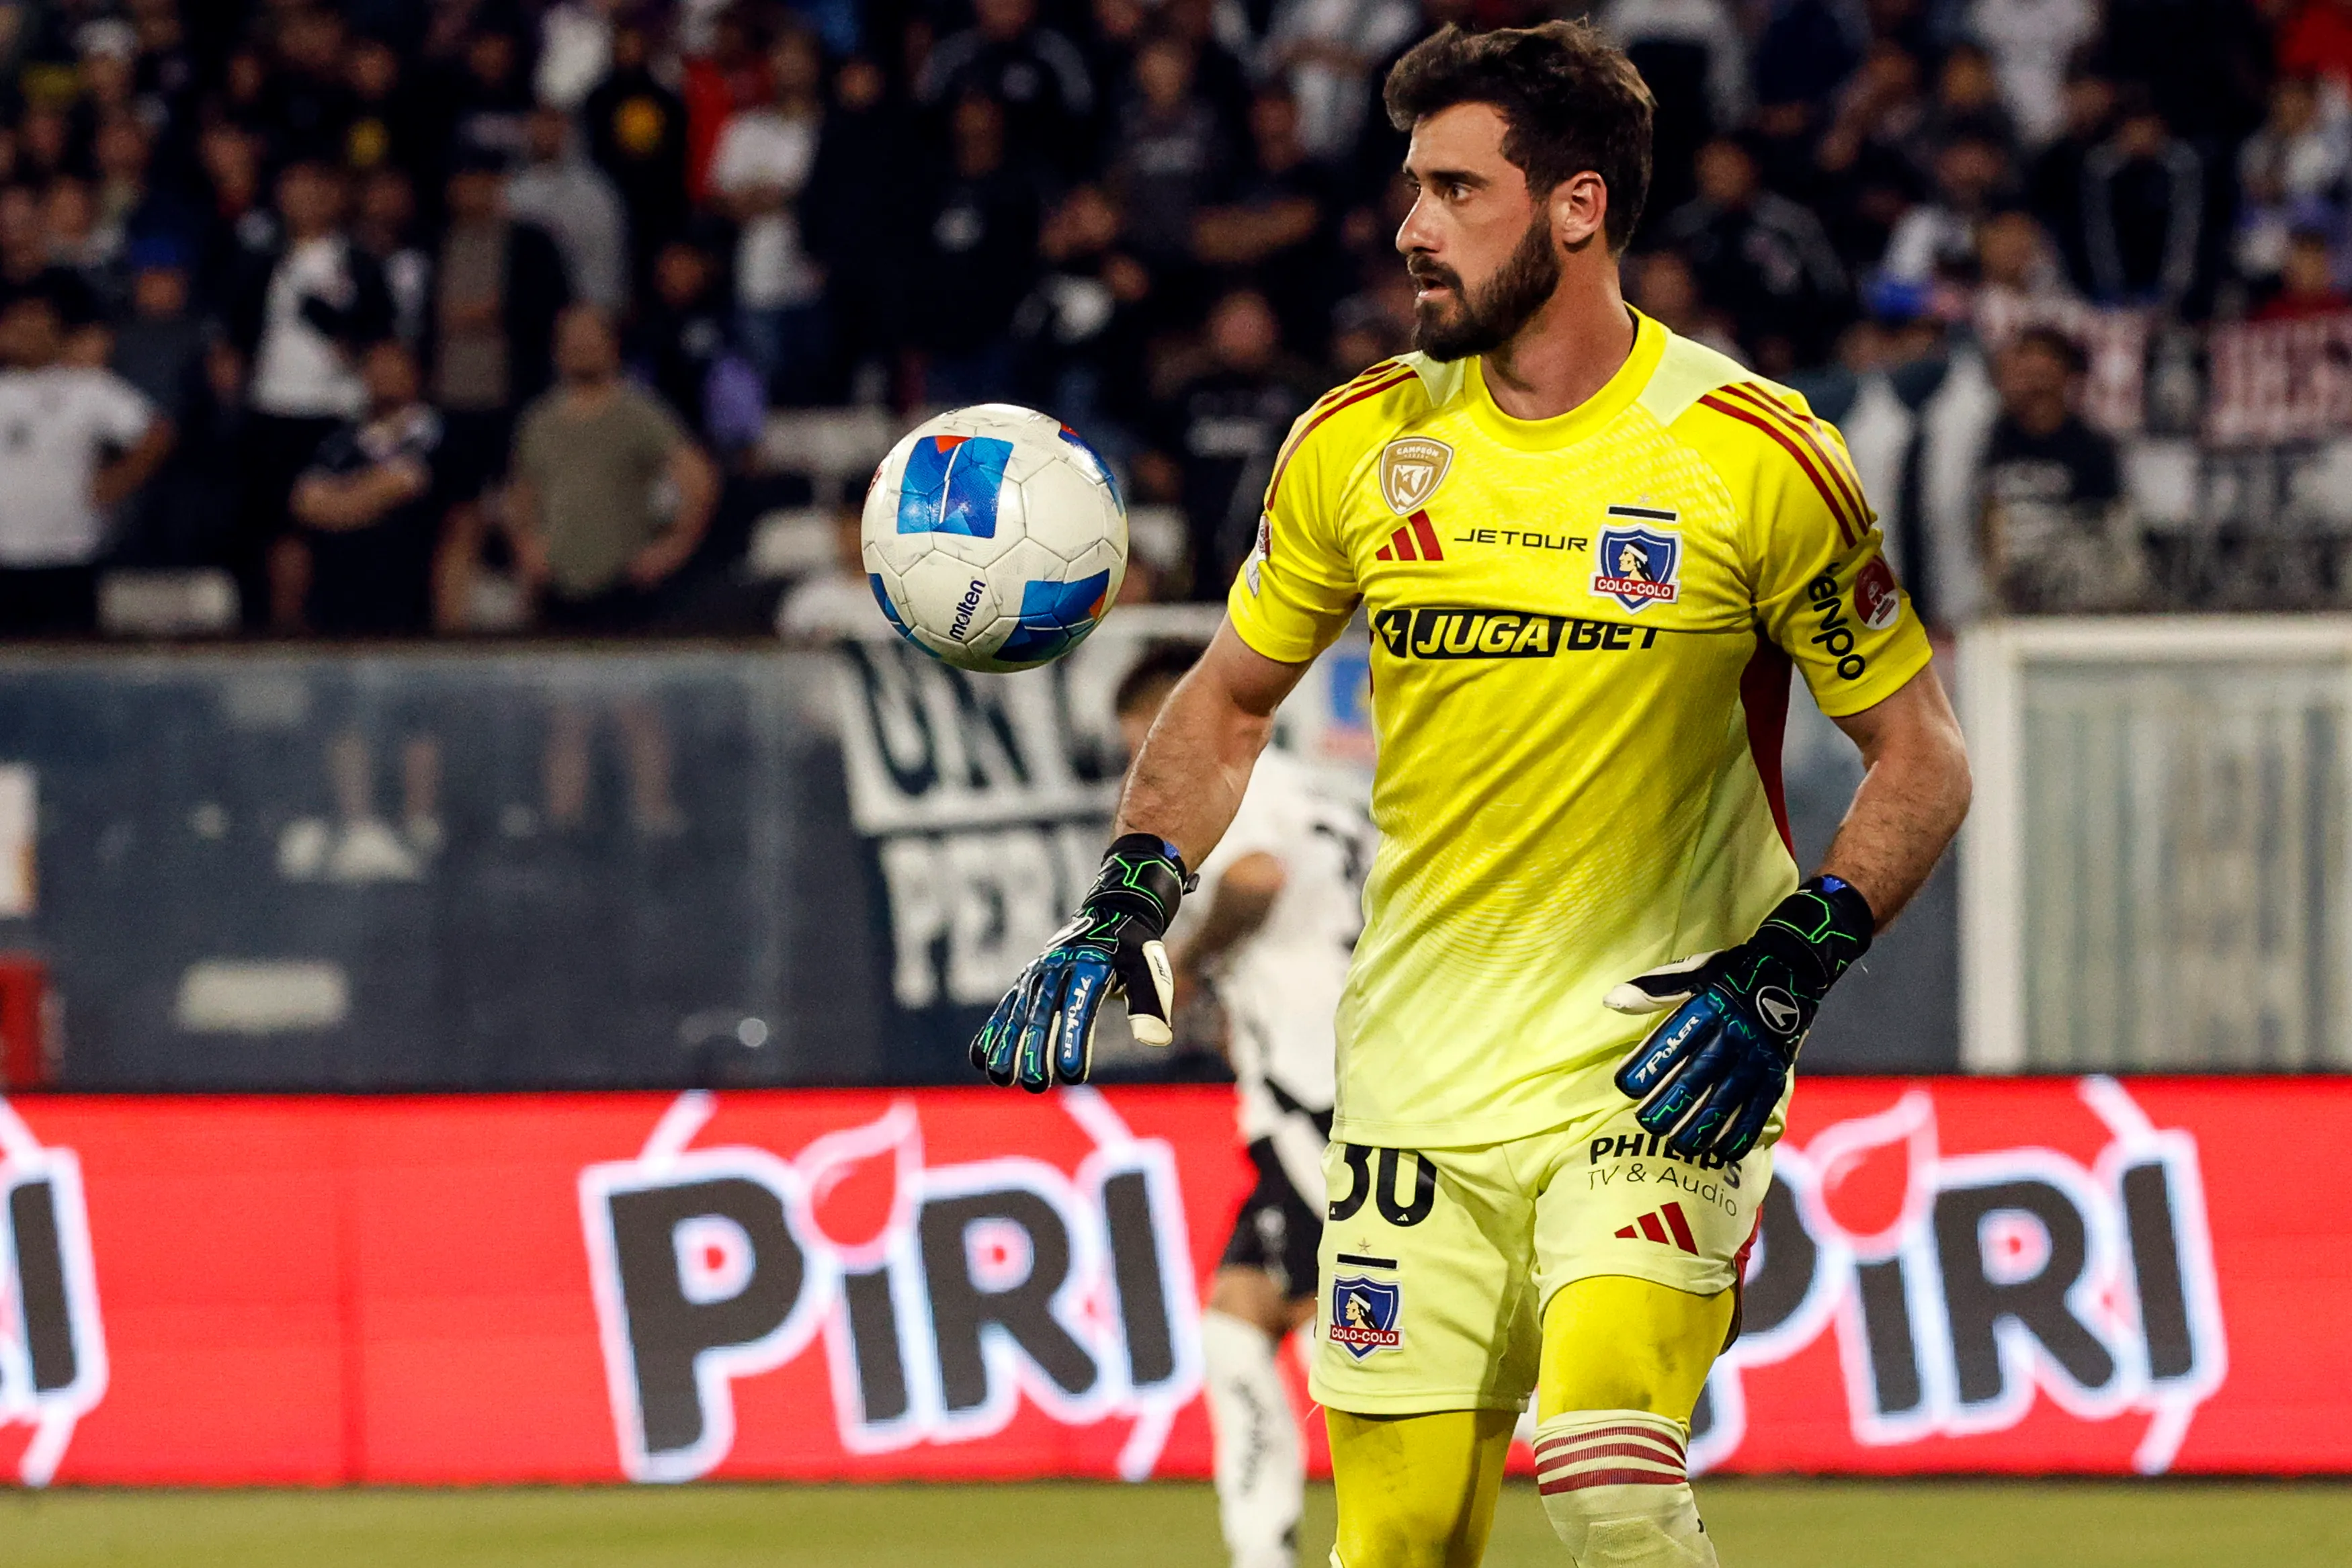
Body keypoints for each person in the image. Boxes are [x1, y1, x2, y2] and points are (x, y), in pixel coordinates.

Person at [968, 24, 1972, 1568]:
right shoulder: (1357, 442)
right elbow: (1229, 702)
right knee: (1404, 1540)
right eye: (1409, 186)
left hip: (1660, 1062)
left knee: (1609, 1468)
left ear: (1577, 207)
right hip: (1415, 1083)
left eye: (1453, 187)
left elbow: (1924, 752)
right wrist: (1129, 891)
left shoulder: (1757, 457)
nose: (1408, 226)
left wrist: (1794, 964)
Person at [1112, 640, 1372, 1568]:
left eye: (1139, 743)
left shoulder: (1240, 780)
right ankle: (1271, 1546)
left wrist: (1186, 962)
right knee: (1246, 1318)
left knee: (1336, 1327)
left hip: (1315, 1087)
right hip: (1350, 1068)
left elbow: (1255, 877)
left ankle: (1365, 1537)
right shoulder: (1332, 795)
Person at [506, 304, 718, 633]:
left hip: (621, 588)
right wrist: (527, 547)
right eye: (572, 340)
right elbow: (522, 494)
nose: (581, 347)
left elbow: (699, 479)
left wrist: (672, 549)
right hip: (556, 589)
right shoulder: (539, 421)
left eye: (591, 339)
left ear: (612, 346)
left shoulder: (639, 413)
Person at [0, 291, 172, 634]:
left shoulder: (88, 388)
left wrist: (121, 478)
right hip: (4, 555)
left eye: (39, 328)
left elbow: (157, 433)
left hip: (70, 552)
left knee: (68, 668)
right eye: (19, 329)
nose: (29, 337)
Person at [286, 339, 451, 636]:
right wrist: (363, 496)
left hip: (403, 600)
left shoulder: (433, 434)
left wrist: (340, 499)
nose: (383, 375)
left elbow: (401, 485)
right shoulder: (342, 438)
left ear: (415, 374)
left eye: (393, 367)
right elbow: (305, 503)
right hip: (335, 603)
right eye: (376, 367)